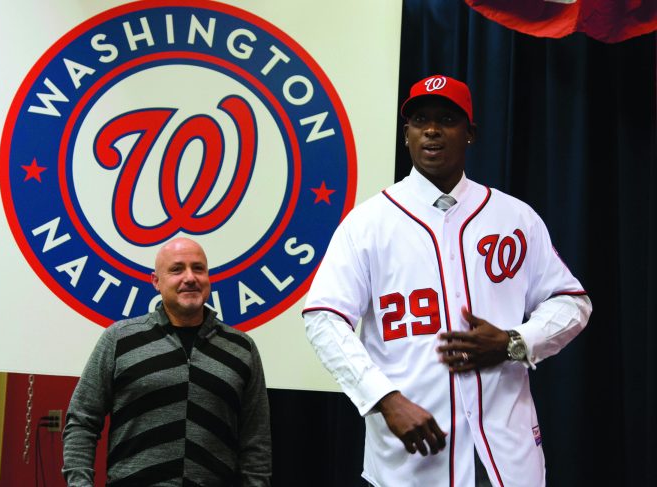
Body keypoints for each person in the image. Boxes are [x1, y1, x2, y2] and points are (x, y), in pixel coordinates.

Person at [303, 75, 592, 487]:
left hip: (505, 454)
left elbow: (571, 301)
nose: (432, 130)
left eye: (447, 119)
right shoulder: (367, 223)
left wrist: (515, 342)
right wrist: (384, 399)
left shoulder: (514, 217)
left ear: (470, 134)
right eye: (420, 120)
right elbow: (323, 319)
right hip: (412, 459)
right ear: (407, 134)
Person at [63, 237, 271, 486]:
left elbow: (256, 441)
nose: (190, 277)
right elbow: (82, 421)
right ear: (156, 281)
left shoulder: (241, 348)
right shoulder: (119, 339)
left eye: (198, 268)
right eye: (176, 269)